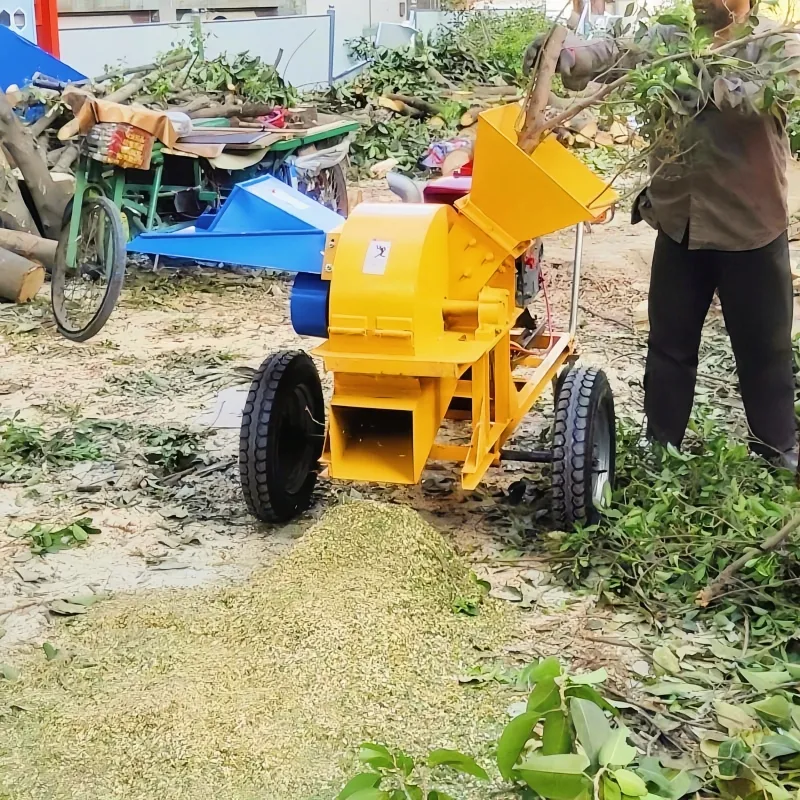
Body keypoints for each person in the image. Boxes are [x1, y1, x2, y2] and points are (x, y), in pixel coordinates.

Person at [524, 2, 800, 470]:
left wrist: (695, 76)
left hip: (749, 226)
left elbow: (762, 99)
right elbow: (616, 50)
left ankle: (777, 448)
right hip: (680, 224)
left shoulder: (777, 45)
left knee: (764, 350)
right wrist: (569, 56)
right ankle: (662, 445)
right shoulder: (671, 40)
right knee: (670, 346)